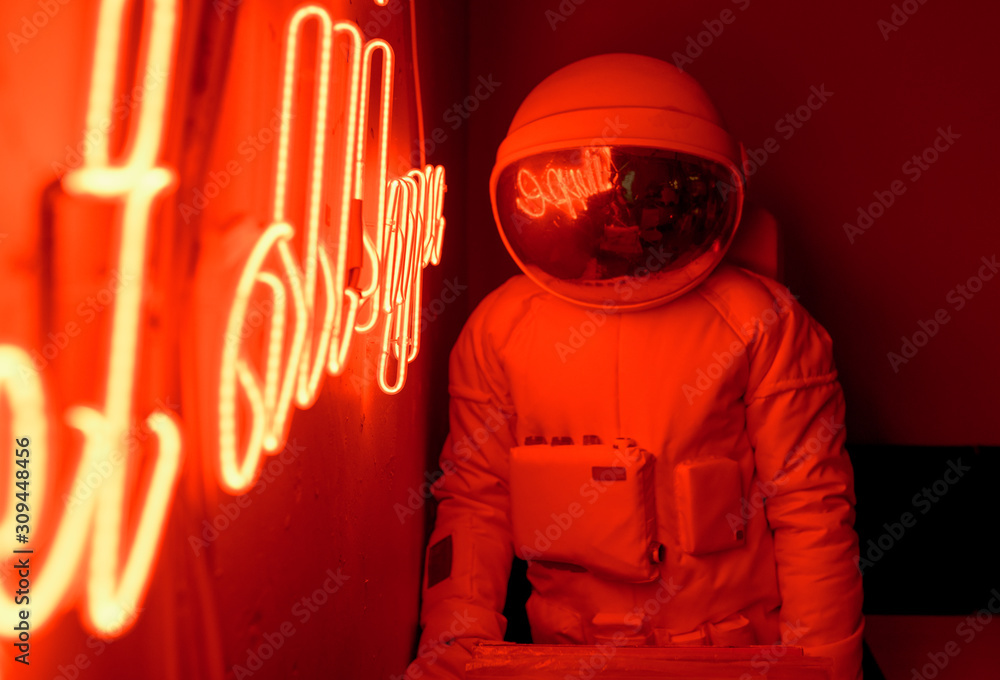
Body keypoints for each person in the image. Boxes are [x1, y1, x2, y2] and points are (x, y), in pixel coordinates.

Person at [405, 53, 863, 680]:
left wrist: (826, 664)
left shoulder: (758, 323)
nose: (617, 220)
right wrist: (453, 648)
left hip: (727, 656)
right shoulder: (502, 330)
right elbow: (474, 503)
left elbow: (810, 503)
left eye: (644, 193)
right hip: (566, 657)